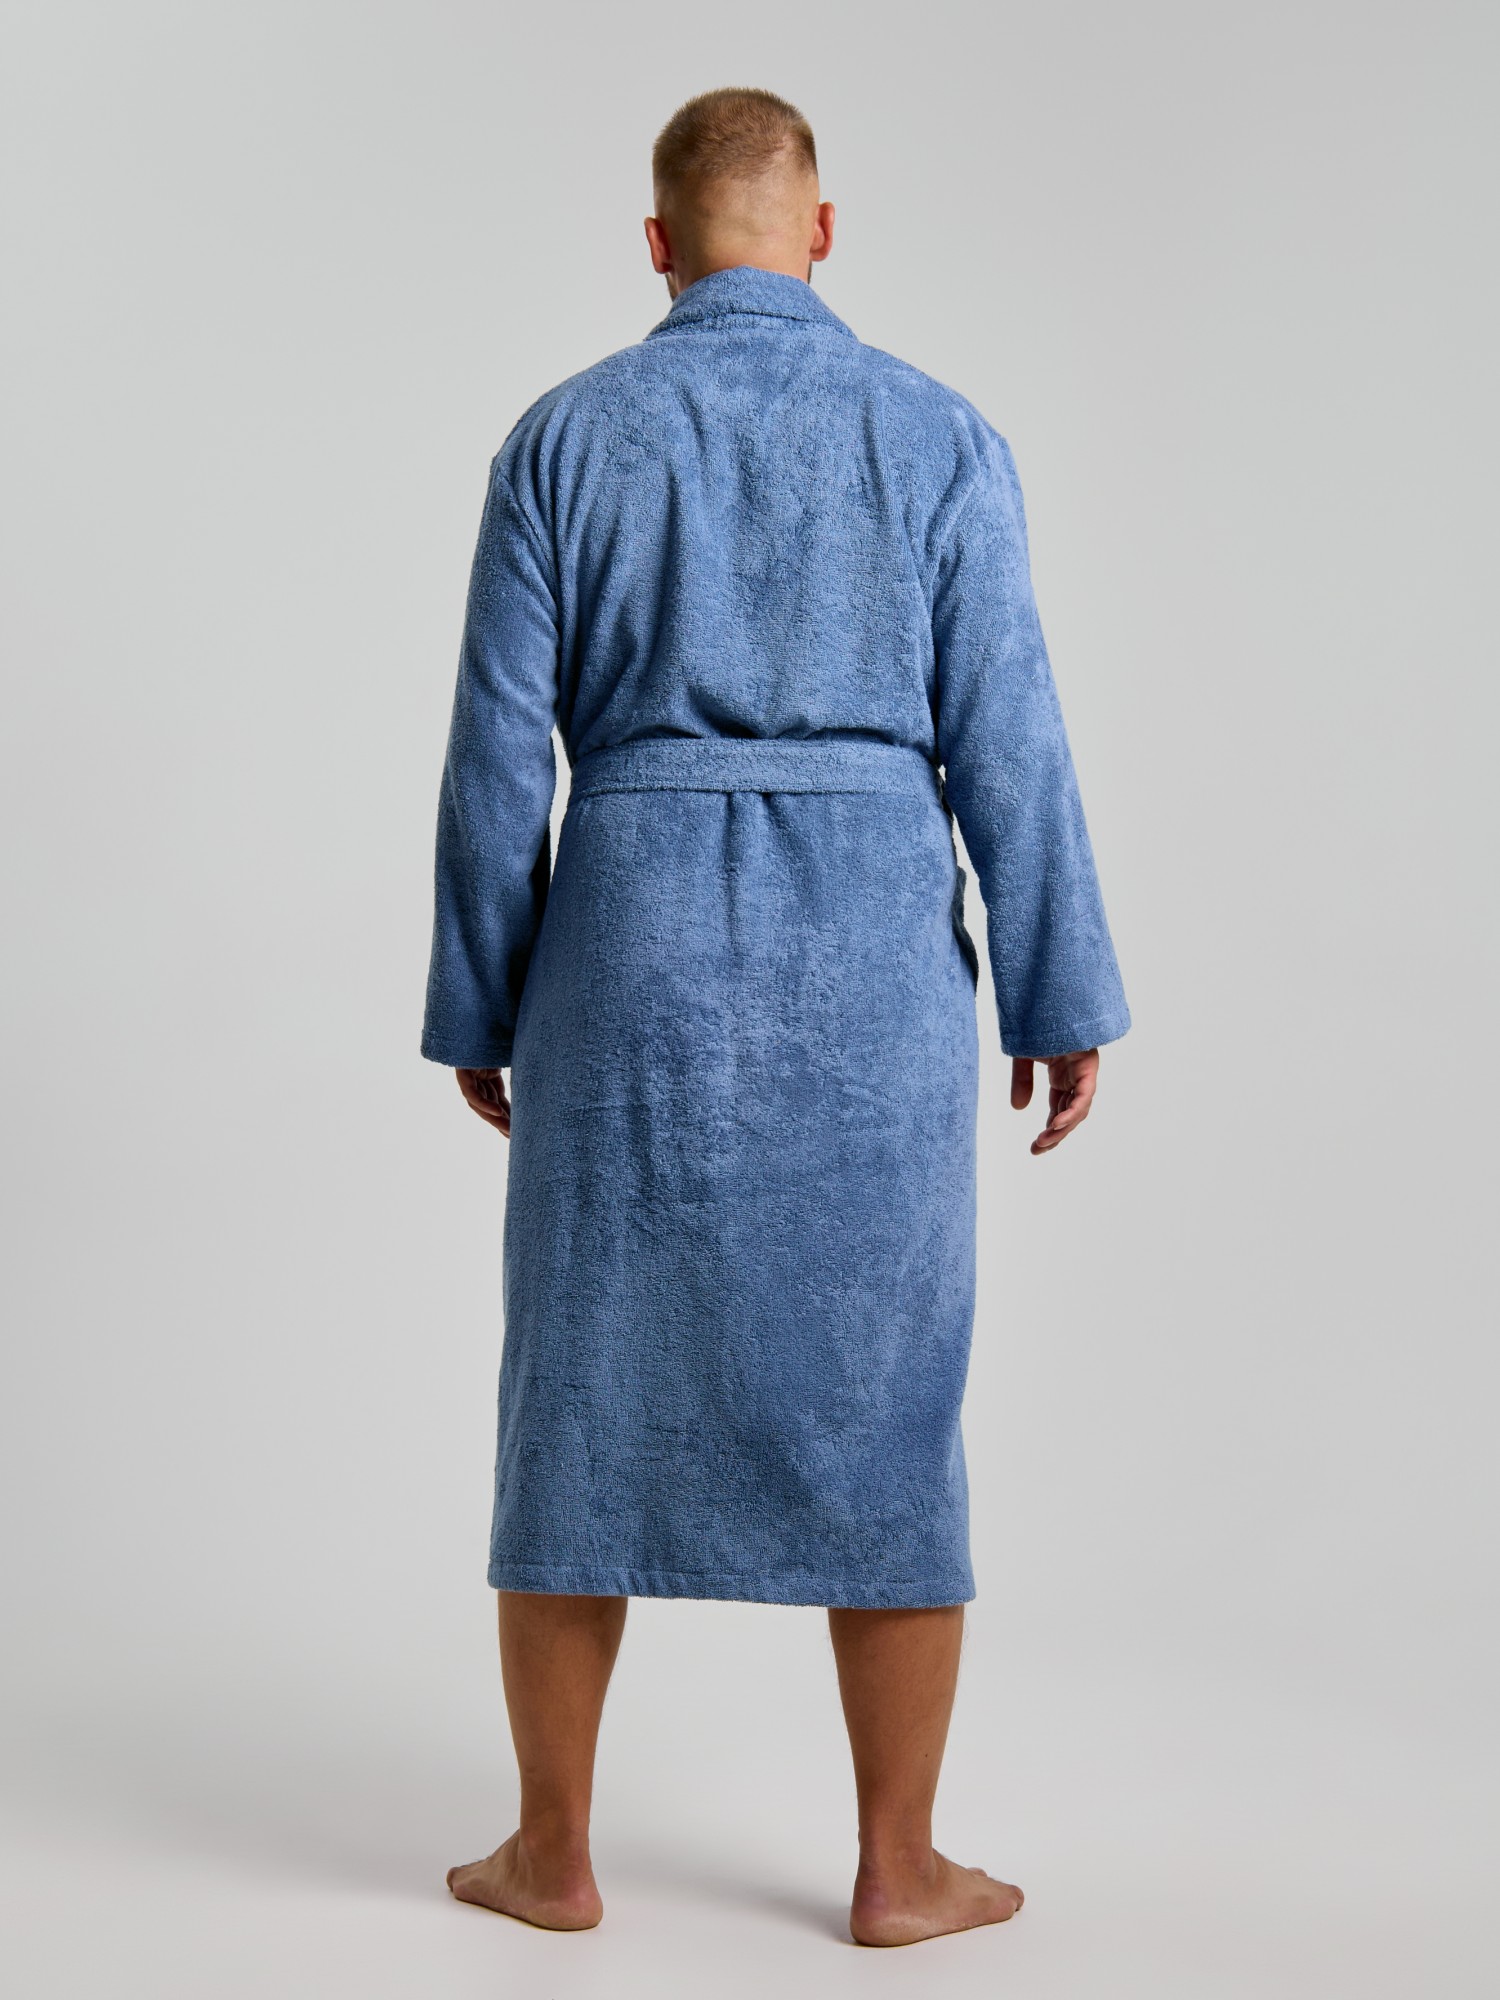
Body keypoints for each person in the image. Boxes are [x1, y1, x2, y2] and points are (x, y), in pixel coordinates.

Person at [421, 85, 1129, 1949]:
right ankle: (900, 1868)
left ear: (658, 246)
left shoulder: (563, 438)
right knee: (887, 1396)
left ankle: (551, 1855)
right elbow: (1012, 733)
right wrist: (1058, 988)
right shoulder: (939, 434)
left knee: (578, 1393)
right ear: (821, 230)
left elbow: (496, 758)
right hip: (870, 958)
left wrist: (483, 995)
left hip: (626, 957)